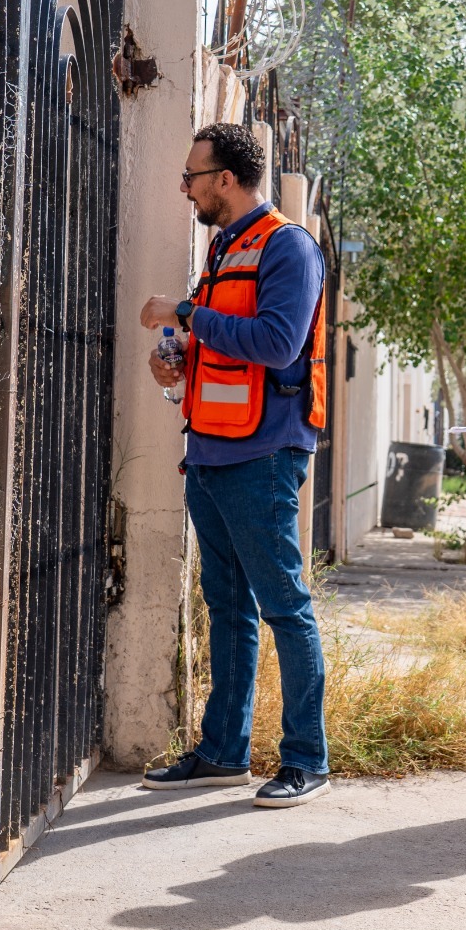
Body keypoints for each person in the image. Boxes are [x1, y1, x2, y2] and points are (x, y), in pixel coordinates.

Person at [139, 122, 332, 808]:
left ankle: (307, 759)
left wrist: (185, 312)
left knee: (284, 604)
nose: (184, 188)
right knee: (227, 606)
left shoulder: (288, 246)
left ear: (225, 179)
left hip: (264, 453)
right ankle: (223, 753)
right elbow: (224, 341)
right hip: (212, 448)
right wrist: (178, 358)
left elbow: (277, 343)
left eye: (192, 176)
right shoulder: (225, 248)